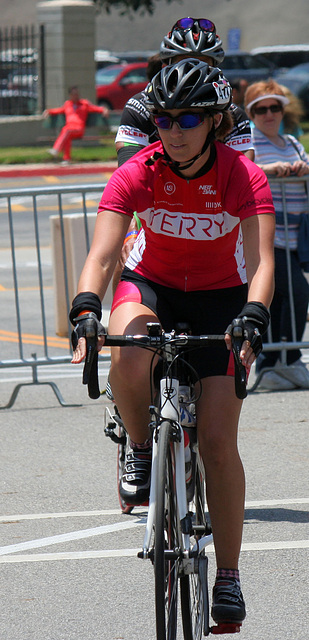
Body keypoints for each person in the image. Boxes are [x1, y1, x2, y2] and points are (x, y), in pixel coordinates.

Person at [70, 59, 275, 627]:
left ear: (212, 121)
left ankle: (229, 575)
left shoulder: (241, 174)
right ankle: (139, 444)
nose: (175, 129)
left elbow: (260, 261)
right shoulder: (139, 170)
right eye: (163, 118)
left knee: (216, 441)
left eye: (188, 117)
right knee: (129, 357)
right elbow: (105, 254)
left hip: (222, 296)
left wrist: (255, 314)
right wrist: (87, 305)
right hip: (152, 286)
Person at [244, 79, 309, 390]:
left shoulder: (293, 143)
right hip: (265, 237)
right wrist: (274, 170)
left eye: (274, 107)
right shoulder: (250, 143)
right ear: (251, 113)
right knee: (295, 293)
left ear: (284, 110)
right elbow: (243, 170)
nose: (269, 114)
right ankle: (279, 361)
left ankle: (280, 363)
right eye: (261, 109)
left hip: (295, 235)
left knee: (284, 299)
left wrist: (300, 168)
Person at [43, 86, 109, 163]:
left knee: (66, 131)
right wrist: (48, 111)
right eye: (74, 94)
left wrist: (104, 109)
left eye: (77, 94)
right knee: (66, 134)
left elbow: (95, 108)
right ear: (70, 95)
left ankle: (56, 149)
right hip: (69, 129)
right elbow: (59, 110)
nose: (76, 96)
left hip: (78, 129)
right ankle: (66, 159)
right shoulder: (67, 104)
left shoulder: (84, 104)